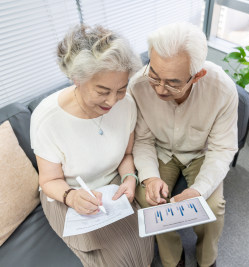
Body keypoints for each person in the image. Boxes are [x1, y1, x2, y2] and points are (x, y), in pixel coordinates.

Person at [30, 25, 154, 267]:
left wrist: (129, 177)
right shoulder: (47, 119)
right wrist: (72, 197)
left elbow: (127, 154)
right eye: (103, 91)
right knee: (113, 257)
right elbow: (48, 181)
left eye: (120, 89)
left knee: (142, 240)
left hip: (112, 188)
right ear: (76, 79)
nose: (112, 101)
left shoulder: (126, 104)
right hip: (67, 193)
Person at [129, 22, 239, 267]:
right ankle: (172, 259)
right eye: (154, 75)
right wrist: (149, 177)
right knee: (148, 202)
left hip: (201, 153)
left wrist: (199, 190)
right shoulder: (137, 86)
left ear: (197, 75)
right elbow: (143, 140)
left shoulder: (222, 90)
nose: (159, 89)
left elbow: (223, 148)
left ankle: (206, 259)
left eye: (173, 83)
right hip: (160, 150)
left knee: (212, 206)